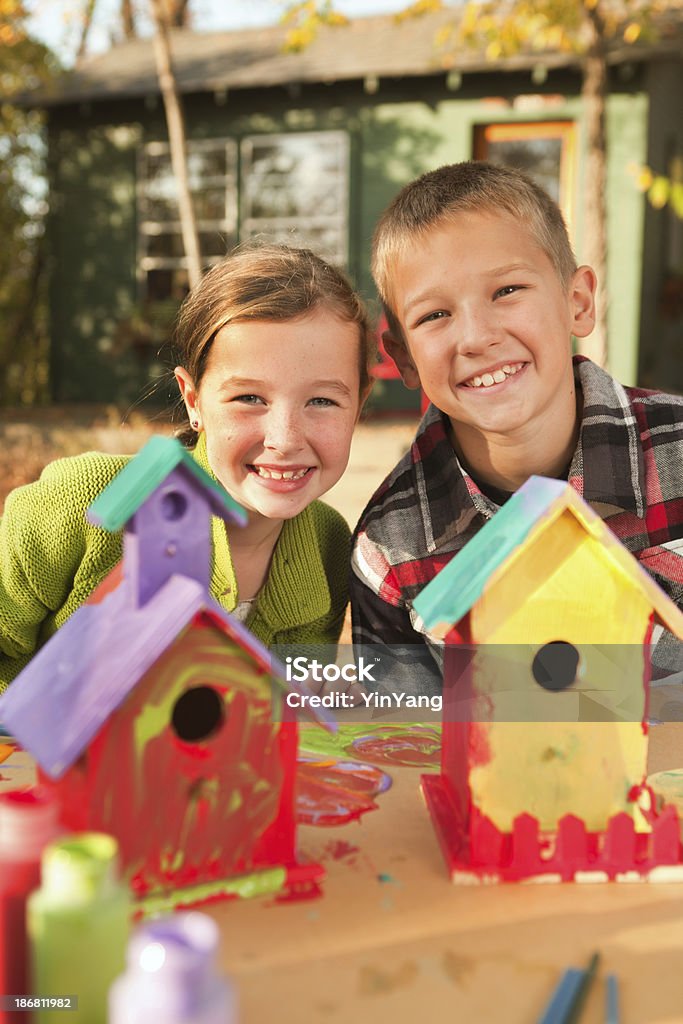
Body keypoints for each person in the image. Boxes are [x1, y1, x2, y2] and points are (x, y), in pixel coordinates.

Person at [351, 161, 683, 681]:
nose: (476, 337)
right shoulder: (391, 550)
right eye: (434, 315)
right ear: (405, 359)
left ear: (577, 303)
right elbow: (405, 740)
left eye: (507, 291)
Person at [0, 243, 375, 692]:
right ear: (193, 399)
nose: (285, 439)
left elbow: (279, 713)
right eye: (249, 398)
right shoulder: (80, 503)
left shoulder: (330, 546)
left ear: (358, 405)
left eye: (322, 401)